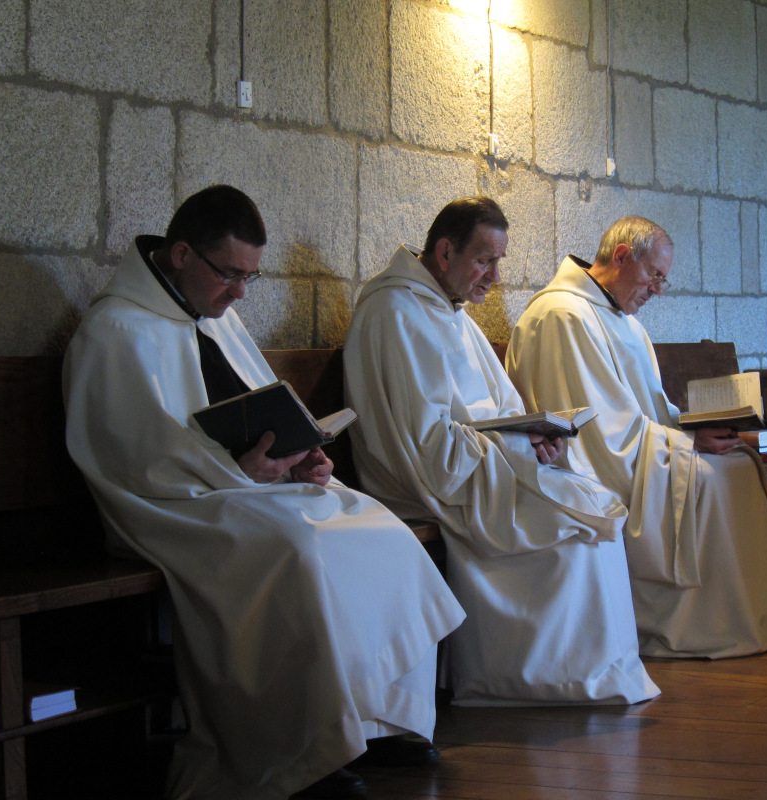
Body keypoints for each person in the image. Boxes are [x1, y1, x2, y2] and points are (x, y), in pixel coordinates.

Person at [63, 185, 465, 800]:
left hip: (245, 489)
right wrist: (240, 473)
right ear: (181, 255)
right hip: (170, 506)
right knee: (297, 549)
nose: (239, 294)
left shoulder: (217, 317)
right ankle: (301, 753)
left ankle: (378, 720)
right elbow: (133, 460)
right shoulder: (114, 330)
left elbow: (264, 406)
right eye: (230, 274)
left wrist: (302, 455)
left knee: (376, 525)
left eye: (249, 277)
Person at [342, 197, 658, 707]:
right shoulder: (395, 312)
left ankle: (593, 672)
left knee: (593, 506)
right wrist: (516, 445)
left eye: (499, 261)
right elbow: (423, 444)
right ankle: (539, 678)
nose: (494, 276)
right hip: (436, 482)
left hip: (483, 466)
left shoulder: (452, 312)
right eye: (485, 260)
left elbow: (506, 411)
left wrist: (539, 437)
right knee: (575, 531)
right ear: (445, 252)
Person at [506, 216, 767, 659]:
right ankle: (713, 622)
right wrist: (687, 446)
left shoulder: (622, 320)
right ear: (622, 256)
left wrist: (695, 427)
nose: (657, 290)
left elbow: (651, 409)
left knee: (742, 465)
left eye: (663, 280)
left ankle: (748, 615)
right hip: (590, 465)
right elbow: (601, 435)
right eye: (655, 275)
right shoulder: (562, 316)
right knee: (716, 479)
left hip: (637, 450)